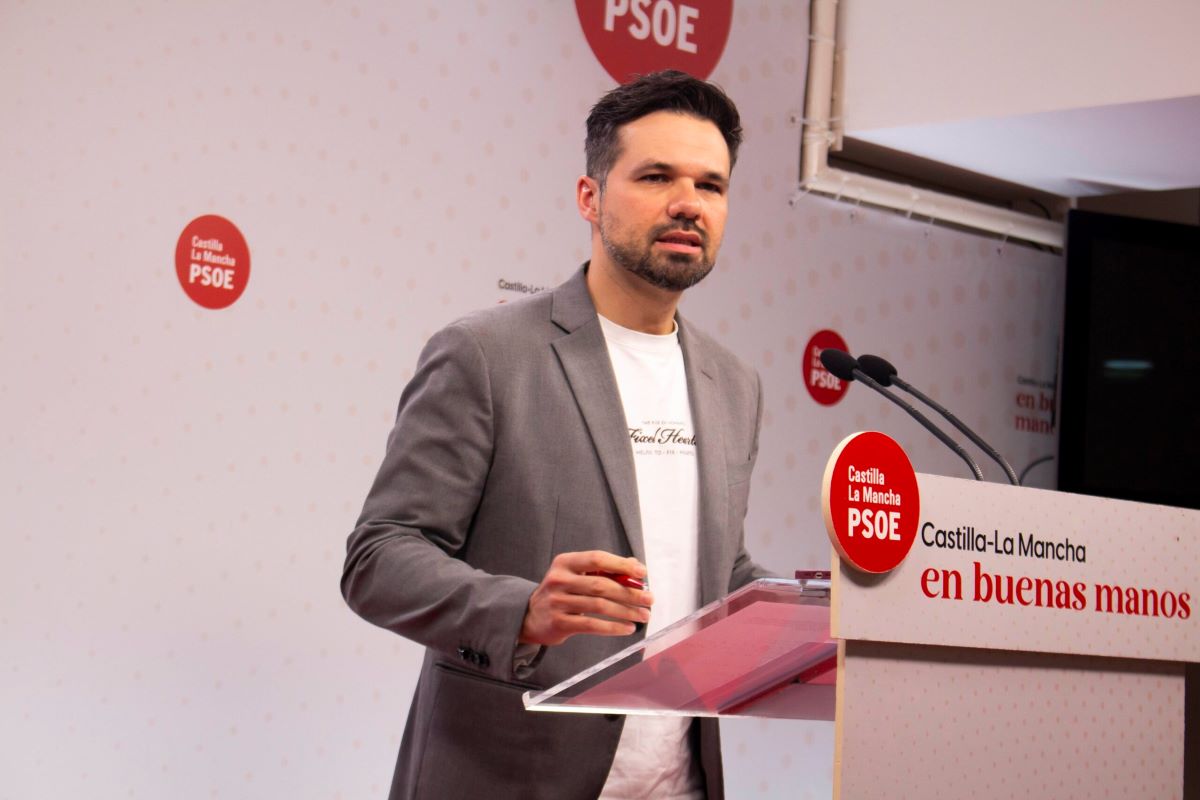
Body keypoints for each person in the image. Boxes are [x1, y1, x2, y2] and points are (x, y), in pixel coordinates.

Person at [342, 69, 769, 800]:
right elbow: (379, 558)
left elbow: (709, 569)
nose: (687, 203)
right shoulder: (487, 354)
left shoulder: (734, 384)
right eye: (657, 176)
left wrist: (810, 615)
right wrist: (524, 611)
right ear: (589, 198)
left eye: (711, 185)